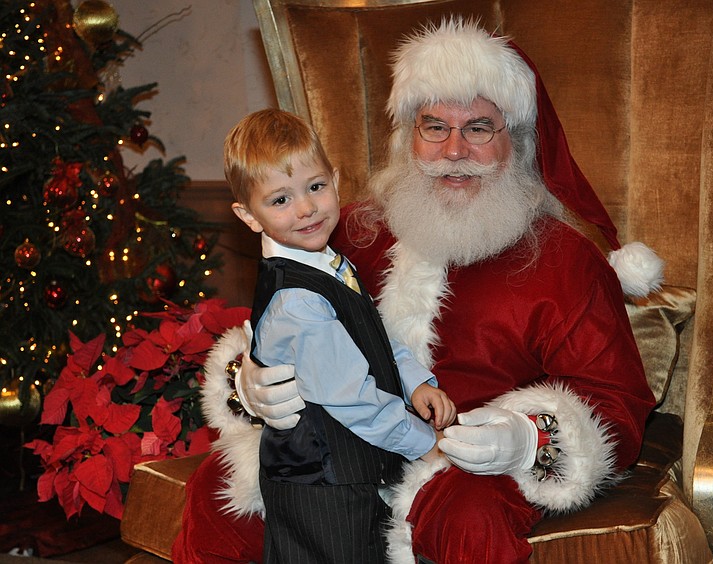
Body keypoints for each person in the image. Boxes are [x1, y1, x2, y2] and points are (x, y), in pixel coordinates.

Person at [175, 18, 664, 564]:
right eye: (434, 126)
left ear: (517, 142)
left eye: (479, 128)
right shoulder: (351, 227)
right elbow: (289, 320)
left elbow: (616, 401)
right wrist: (251, 379)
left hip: (464, 465)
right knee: (219, 490)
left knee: (467, 520)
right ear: (408, 135)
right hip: (343, 442)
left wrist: (526, 438)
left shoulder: (567, 261)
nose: (454, 150)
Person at [223, 109, 455, 563]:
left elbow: (374, 333)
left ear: (335, 180)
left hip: (353, 474)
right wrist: (428, 443)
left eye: (315, 187)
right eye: (280, 200)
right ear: (248, 216)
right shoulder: (297, 300)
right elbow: (353, 399)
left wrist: (414, 379)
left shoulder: (329, 261)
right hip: (322, 487)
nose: (306, 209)